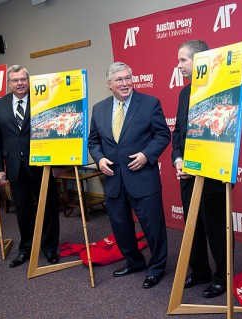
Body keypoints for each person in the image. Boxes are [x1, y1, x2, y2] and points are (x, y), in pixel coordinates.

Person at [88, 62, 170, 289]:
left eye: (128, 78)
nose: (125, 84)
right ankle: (134, 262)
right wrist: (99, 158)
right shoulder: (99, 108)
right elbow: (93, 141)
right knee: (121, 227)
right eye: (119, 80)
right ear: (109, 84)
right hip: (114, 179)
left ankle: (156, 268)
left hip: (142, 177)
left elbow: (162, 135)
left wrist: (146, 155)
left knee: (153, 228)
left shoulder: (149, 103)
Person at [171, 40, 227, 298]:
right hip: (187, 176)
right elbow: (179, 133)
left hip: (212, 178)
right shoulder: (184, 93)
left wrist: (199, 166)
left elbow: (221, 136)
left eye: (183, 60)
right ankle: (201, 271)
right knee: (193, 228)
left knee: (217, 230)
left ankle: (223, 277)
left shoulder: (222, 90)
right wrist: (178, 160)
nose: (179, 65)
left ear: (200, 60)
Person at [0, 65, 60, 268]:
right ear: (9, 83)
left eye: (23, 79)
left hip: (42, 164)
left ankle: (49, 248)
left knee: (47, 206)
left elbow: (54, 130)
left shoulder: (42, 98)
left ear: (29, 81)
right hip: (14, 167)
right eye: (15, 80)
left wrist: (58, 162)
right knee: (23, 210)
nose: (20, 83)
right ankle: (26, 248)